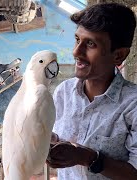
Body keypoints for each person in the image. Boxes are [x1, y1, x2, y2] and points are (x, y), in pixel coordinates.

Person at [47, 3, 137, 180]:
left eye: (90, 43)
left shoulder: (132, 105)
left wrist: (86, 157)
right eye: (77, 39)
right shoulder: (63, 92)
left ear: (118, 55)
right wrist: (48, 143)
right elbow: (59, 138)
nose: (76, 52)